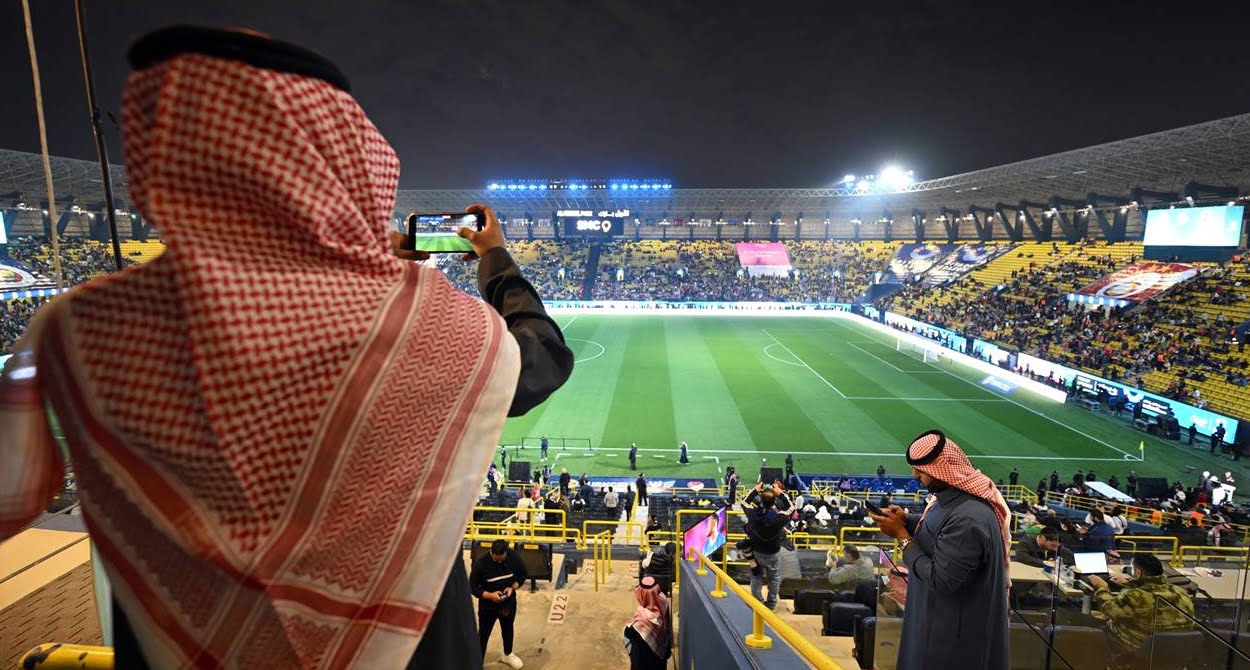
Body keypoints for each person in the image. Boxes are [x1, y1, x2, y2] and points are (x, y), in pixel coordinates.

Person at [0, 26, 575, 670]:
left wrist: (350, 256)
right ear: (345, 159)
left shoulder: (79, 327)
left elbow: (11, 494)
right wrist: (493, 259)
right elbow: (542, 358)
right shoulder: (429, 319)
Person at [871, 430, 1009, 670]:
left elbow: (941, 578)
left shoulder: (969, 518)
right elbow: (941, 532)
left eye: (921, 470)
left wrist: (902, 537)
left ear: (941, 470)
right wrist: (907, 521)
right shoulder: (951, 498)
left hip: (950, 641)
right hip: (934, 624)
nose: (915, 475)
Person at [1087, 554, 1195, 664]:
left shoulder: (1135, 596)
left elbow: (1108, 608)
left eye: (1132, 569)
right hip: (1176, 650)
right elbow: (1150, 591)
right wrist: (1130, 583)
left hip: (1139, 647)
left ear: (1138, 573)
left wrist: (1101, 587)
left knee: (1093, 626)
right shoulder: (1180, 591)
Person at [471, 540, 528, 668]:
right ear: (491, 552)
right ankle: (477, 661)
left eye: (501, 559)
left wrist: (512, 588)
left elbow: (522, 575)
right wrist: (490, 595)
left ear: (506, 553)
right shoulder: (480, 564)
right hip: (488, 606)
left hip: (507, 603)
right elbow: (473, 588)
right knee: (483, 633)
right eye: (496, 560)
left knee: (507, 628)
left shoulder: (514, 557)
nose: (499, 562)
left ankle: (508, 654)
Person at [741, 482, 791, 610]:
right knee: (774, 578)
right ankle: (771, 604)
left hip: (757, 551)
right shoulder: (779, 518)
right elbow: (791, 508)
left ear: (761, 500)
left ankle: (757, 603)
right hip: (773, 552)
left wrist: (755, 490)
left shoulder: (753, 514)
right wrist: (781, 494)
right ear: (774, 501)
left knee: (756, 576)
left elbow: (744, 503)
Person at [623, 575, 672, 670]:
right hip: (660, 658)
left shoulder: (640, 622)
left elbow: (628, 633)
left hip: (644, 663)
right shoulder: (663, 601)